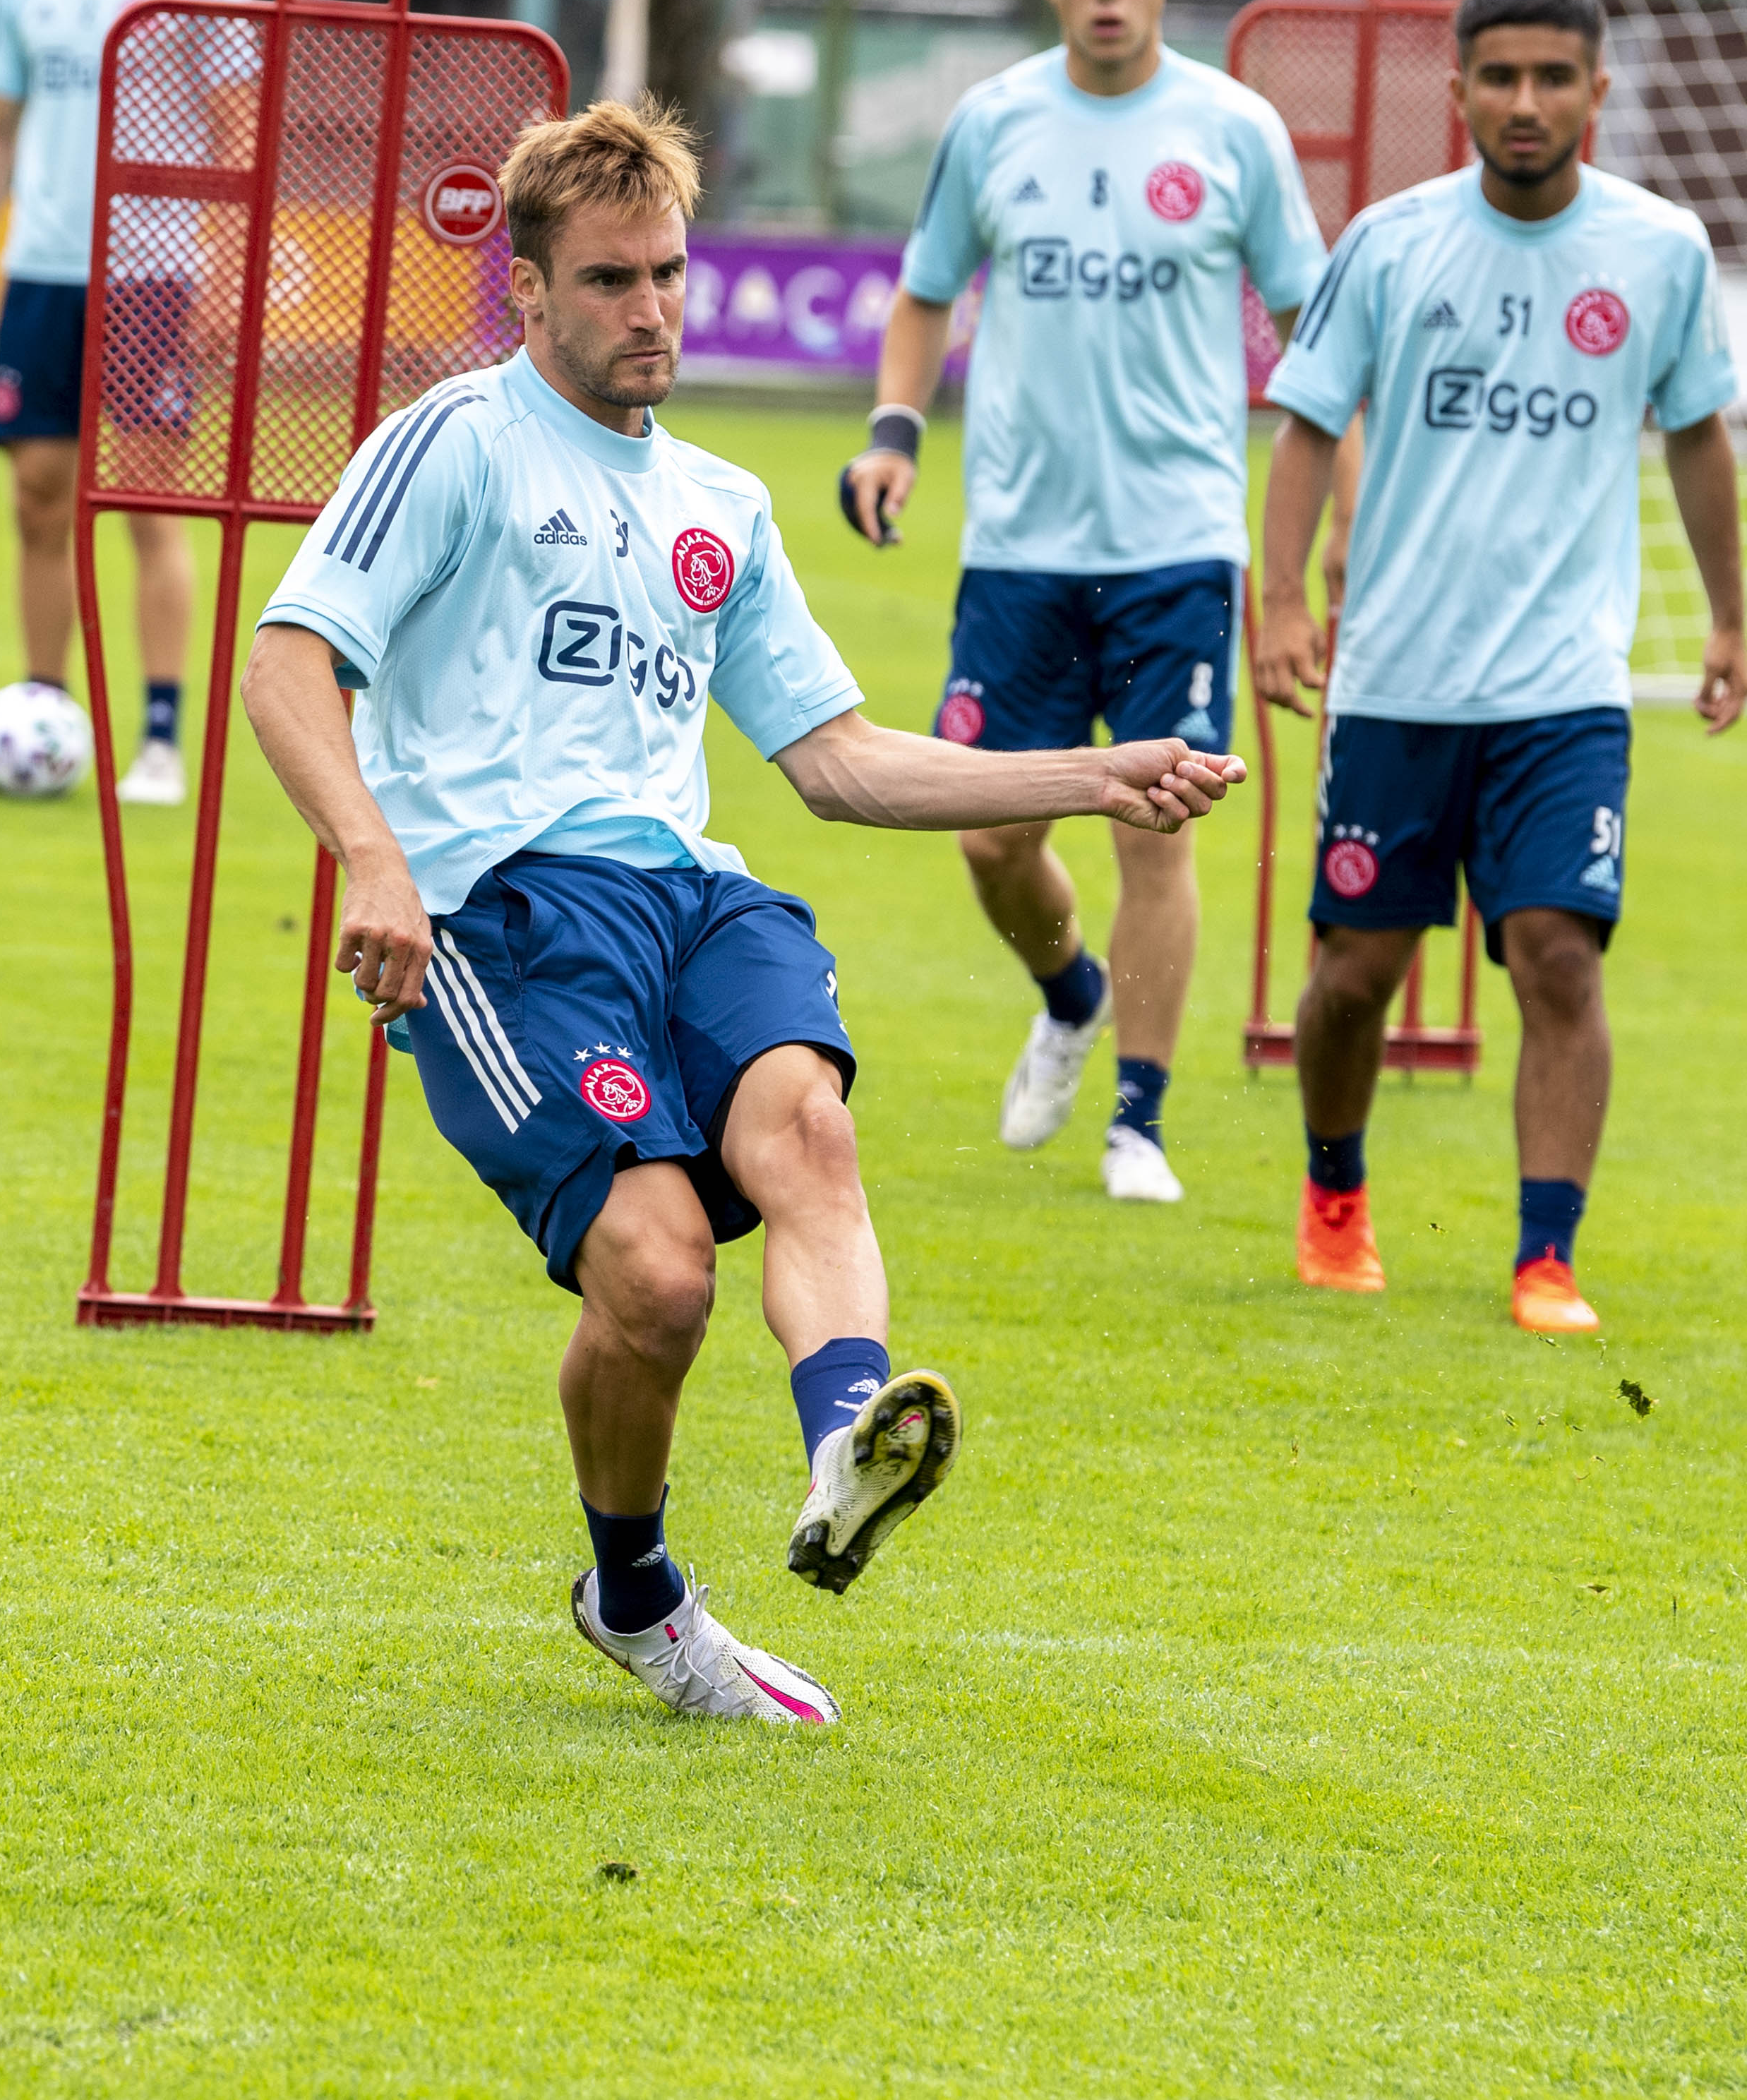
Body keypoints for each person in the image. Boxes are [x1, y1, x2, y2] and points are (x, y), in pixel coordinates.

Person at [242, 101, 1244, 1726]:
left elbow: (837, 761)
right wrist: (369, 855)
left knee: (812, 1135)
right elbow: (291, 658)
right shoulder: (456, 441)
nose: (651, 309)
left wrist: (1094, 773)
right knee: (655, 1279)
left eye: (668, 273)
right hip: (503, 912)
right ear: (529, 288)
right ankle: (634, 1595)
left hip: (693, 896)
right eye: (610, 279)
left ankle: (849, 1445)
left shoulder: (721, 501)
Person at [1249, 0, 1747, 1334]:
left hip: (1565, 686)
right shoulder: (1389, 242)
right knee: (1355, 974)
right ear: (1459, 90)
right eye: (1503, 77)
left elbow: (1698, 430)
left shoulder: (1661, 250)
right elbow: (1307, 422)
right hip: (1397, 681)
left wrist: (1728, 617)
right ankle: (1335, 1194)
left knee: (1558, 955)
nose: (1528, 103)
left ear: (1598, 92)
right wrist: (1281, 599)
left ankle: (1547, 1257)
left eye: (1554, 78)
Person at [839, 0, 1326, 1205]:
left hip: (1179, 547)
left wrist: (1311, 564)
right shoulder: (992, 120)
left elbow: (1314, 337)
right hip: (1020, 550)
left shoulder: (1236, 129)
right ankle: (1072, 997)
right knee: (991, 838)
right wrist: (894, 435)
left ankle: (1137, 1124)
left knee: (1155, 825)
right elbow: (926, 290)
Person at [0, 0, 248, 808]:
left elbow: (238, 127)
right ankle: (43, 715)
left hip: (155, 270)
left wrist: (226, 270)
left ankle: (158, 740)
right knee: (38, 499)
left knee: (148, 503)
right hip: (42, 271)